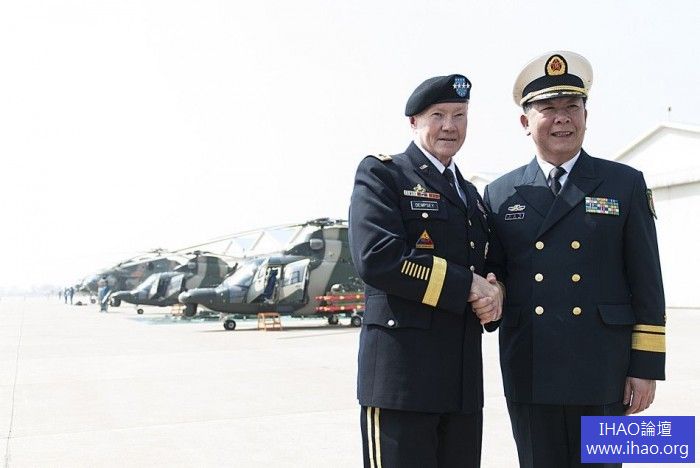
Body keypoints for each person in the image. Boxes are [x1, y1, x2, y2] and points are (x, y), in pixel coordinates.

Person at [483, 50, 666, 468]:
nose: (562, 118)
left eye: (572, 107)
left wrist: (645, 367)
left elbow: (647, 282)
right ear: (525, 122)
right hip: (531, 367)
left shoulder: (624, 183)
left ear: (586, 115)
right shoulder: (500, 193)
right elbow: (496, 274)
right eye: (548, 108)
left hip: (605, 370)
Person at [349, 74, 502, 468]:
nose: (450, 126)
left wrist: (495, 293)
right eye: (438, 115)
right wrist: (465, 284)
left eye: (459, 115)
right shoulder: (384, 174)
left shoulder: (471, 195)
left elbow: (485, 268)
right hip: (403, 381)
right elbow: (377, 257)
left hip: (461, 383)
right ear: (414, 121)